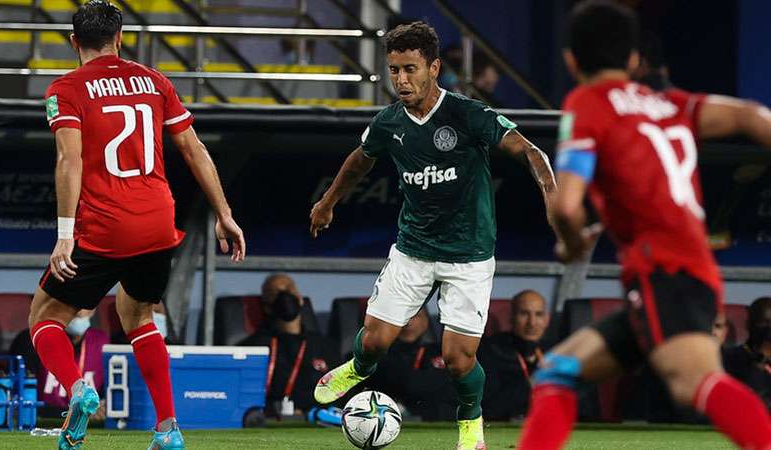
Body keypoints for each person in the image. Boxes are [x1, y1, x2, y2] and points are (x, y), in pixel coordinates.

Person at [517, 2, 771, 449]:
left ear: (570, 60)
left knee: (693, 382)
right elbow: (752, 116)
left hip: (664, 271)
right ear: (633, 59)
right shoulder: (669, 103)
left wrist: (572, 244)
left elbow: (567, 204)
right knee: (557, 371)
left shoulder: (586, 102)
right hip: (680, 270)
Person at [309, 21, 557, 450]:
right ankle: (357, 367)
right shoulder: (388, 122)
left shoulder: (467, 114)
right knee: (374, 341)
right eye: (393, 70)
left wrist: (552, 194)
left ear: (434, 68)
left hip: (470, 255)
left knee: (460, 361)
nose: (401, 80)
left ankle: (470, 426)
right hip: (414, 251)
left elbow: (530, 151)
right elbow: (359, 160)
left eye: (410, 69)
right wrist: (328, 201)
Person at [27, 1, 245, 449]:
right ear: (120, 37)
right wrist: (224, 213)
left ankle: (78, 390)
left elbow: (68, 160)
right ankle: (168, 429)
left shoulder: (65, 89)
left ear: (74, 42)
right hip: (157, 223)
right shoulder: (154, 80)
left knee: (45, 317)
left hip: (105, 226)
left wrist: (65, 235)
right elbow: (194, 148)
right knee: (138, 314)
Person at [240, 274, 340, 419]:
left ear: (300, 299)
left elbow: (340, 393)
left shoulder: (326, 346)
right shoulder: (253, 348)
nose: (284, 295)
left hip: (317, 422)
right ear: (266, 306)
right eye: (275, 293)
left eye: (288, 289)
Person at [9, 309, 110, 421]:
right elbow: (21, 401)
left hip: (87, 426)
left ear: (93, 310)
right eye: (72, 302)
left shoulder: (103, 343)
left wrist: (101, 408)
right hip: (40, 422)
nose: (78, 311)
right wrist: (81, 412)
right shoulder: (31, 340)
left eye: (86, 304)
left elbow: (107, 398)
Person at [366, 309, 455, 421]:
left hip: (434, 421)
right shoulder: (377, 354)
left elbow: (446, 389)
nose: (408, 322)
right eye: (403, 316)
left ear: (425, 321)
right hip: (384, 419)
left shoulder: (441, 353)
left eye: (415, 316)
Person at [479, 290, 548, 420]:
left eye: (538, 314)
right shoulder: (489, 350)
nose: (531, 323)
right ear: (511, 317)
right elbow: (489, 407)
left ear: (547, 319)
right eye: (524, 313)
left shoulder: (558, 352)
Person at [723, 297, 771, 410]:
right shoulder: (730, 359)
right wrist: (761, 358)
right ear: (748, 325)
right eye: (763, 324)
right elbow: (744, 404)